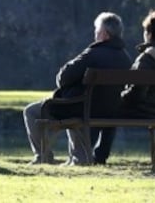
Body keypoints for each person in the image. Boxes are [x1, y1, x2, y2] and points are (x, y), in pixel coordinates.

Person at [23, 12, 132, 165]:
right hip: (108, 111)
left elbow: (63, 78)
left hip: (81, 108)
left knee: (30, 111)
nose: (95, 34)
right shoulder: (125, 58)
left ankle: (43, 156)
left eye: (97, 30)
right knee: (75, 105)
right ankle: (77, 159)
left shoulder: (93, 53)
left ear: (104, 34)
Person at [93, 10, 155, 164]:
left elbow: (137, 93)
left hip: (139, 111)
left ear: (150, 33)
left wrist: (121, 97)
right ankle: (98, 155)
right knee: (110, 107)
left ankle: (98, 156)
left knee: (106, 108)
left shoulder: (147, 58)